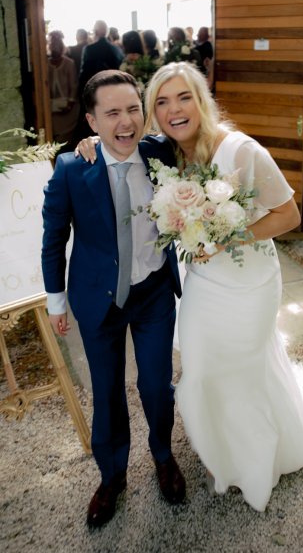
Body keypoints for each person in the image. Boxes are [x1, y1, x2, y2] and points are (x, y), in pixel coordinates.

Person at [76, 62, 303, 513]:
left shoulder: (240, 150)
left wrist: (229, 235)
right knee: (203, 371)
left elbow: (289, 216)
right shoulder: (165, 153)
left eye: (184, 97)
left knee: (242, 367)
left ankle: (246, 453)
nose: (174, 109)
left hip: (250, 281)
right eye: (162, 102)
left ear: (201, 99)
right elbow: (118, 144)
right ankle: (218, 446)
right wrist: (92, 140)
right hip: (204, 283)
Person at [41, 69, 186, 529]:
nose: (126, 122)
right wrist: (56, 301)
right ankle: (112, 477)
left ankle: (163, 456)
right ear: (91, 121)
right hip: (97, 300)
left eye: (133, 109)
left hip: (153, 294)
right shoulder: (71, 169)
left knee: (156, 386)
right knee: (106, 394)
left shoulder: (161, 152)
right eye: (112, 114)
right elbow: (52, 240)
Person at [47, 30, 80, 150]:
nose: (54, 48)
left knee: (66, 143)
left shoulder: (69, 63)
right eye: (52, 45)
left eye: (57, 45)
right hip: (51, 109)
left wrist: (70, 104)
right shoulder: (45, 64)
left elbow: (74, 85)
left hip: (68, 109)